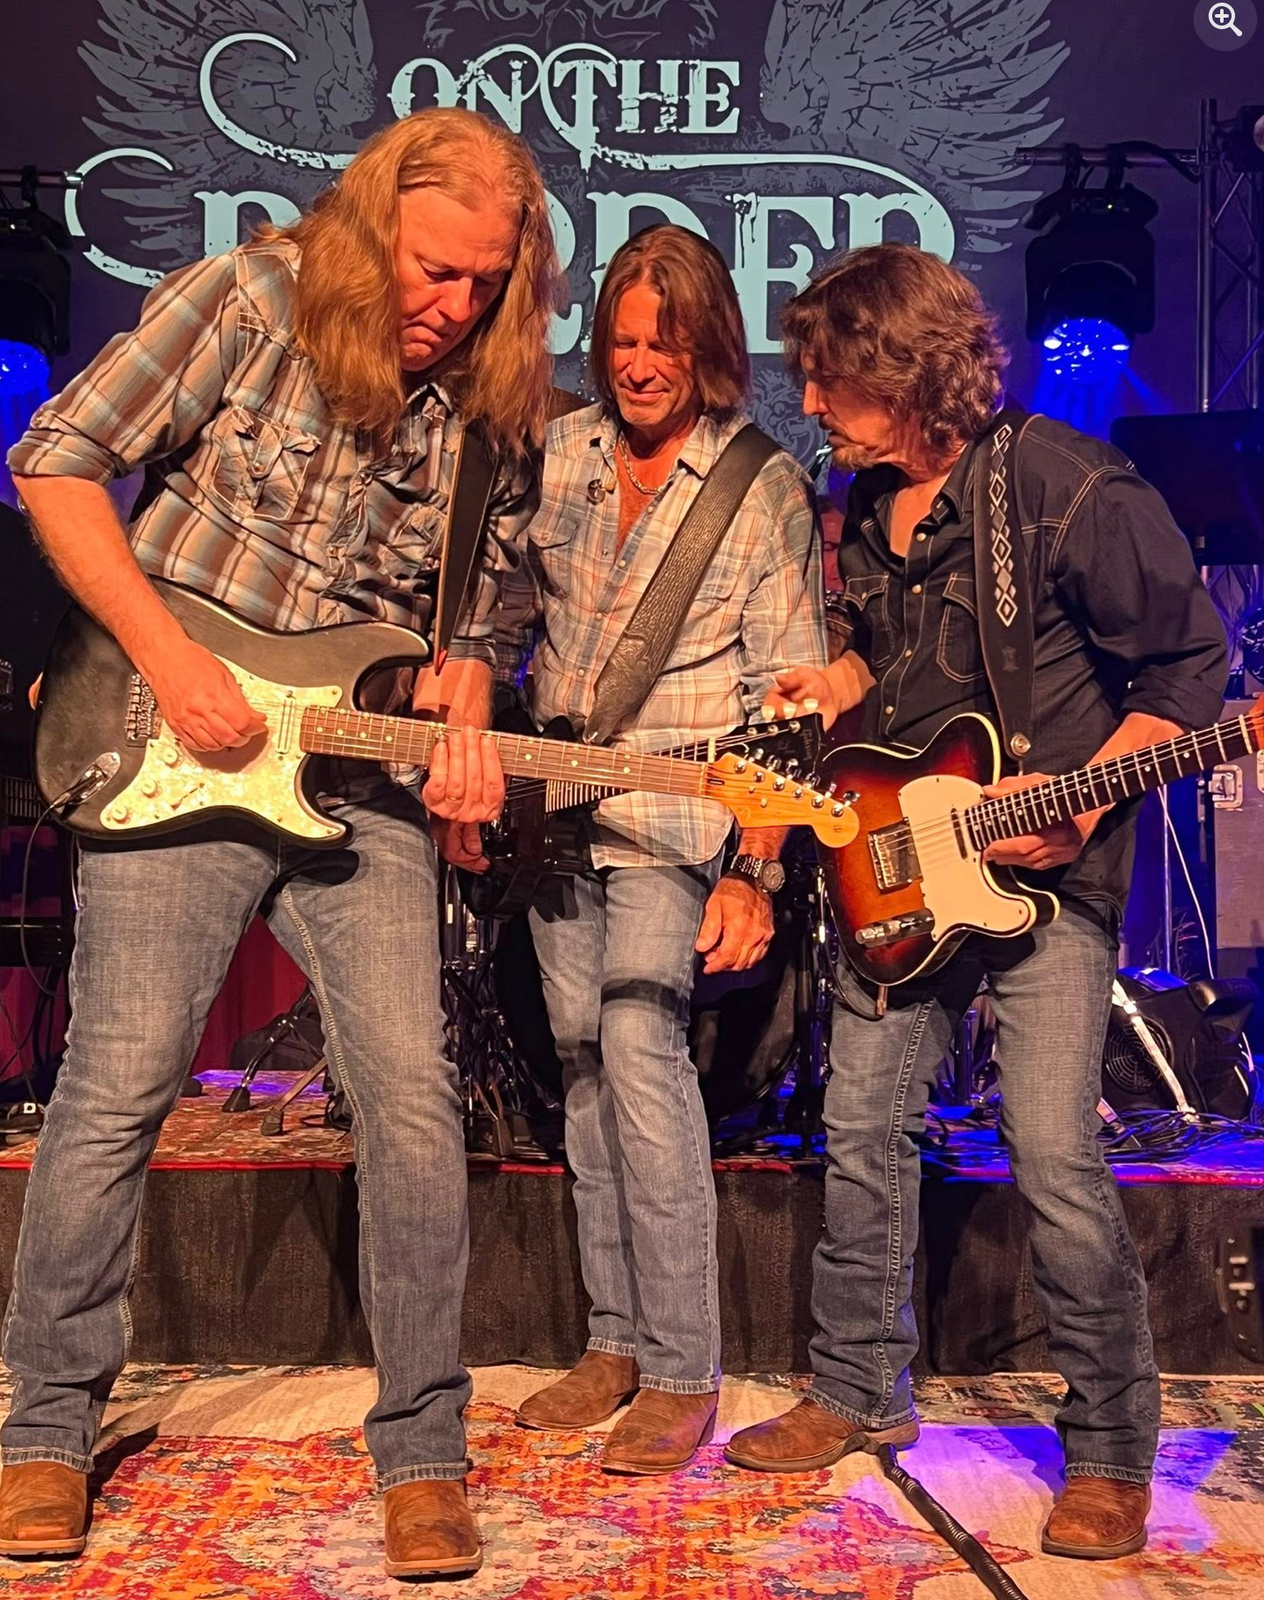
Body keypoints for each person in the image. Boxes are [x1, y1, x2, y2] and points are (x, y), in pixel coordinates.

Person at [0, 107, 557, 1579]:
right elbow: (54, 462)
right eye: (432, 269)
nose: (453, 304)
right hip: (173, 739)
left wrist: (467, 690)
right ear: (373, 224)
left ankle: (423, 1454)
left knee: (415, 1105)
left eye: (483, 282)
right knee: (118, 1087)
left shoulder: (487, 402)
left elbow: (478, 610)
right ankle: (44, 1431)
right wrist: (165, 655)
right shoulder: (245, 299)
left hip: (351, 777)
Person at [724, 243, 1227, 1560]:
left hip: (1046, 877)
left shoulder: (1068, 486)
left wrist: (1089, 800)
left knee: (1052, 1152)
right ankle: (856, 1388)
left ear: (905, 374)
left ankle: (1108, 1446)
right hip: (902, 863)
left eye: (831, 380)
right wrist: (832, 681)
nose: (811, 403)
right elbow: (879, 660)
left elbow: (1189, 668)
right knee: (862, 1128)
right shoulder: (859, 498)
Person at [500, 226, 825, 1471]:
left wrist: (755, 870)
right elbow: (503, 611)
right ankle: (613, 1340)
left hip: (679, 821)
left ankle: (685, 1367)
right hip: (557, 814)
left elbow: (786, 705)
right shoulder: (561, 450)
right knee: (581, 1066)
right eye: (623, 342)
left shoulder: (761, 484)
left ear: (709, 350)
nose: (638, 366)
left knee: (639, 1055)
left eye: (664, 345)